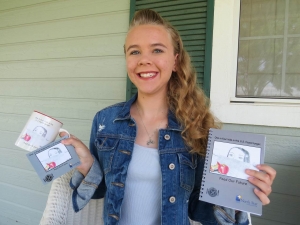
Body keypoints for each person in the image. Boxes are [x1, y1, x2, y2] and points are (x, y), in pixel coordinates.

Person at [60, 9, 276, 225]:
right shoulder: (105, 121)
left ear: (175, 61)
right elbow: (102, 192)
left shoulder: (195, 126)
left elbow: (199, 209)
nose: (144, 60)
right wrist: (88, 163)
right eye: (134, 52)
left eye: (157, 50)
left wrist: (239, 193)